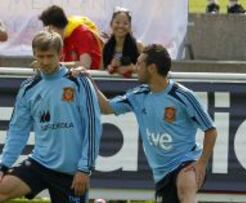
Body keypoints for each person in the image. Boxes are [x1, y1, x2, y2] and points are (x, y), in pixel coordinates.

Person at [88, 44, 217, 202]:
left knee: (186, 187)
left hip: (187, 160)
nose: (136, 67)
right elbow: (106, 107)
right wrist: (88, 81)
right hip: (162, 174)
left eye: (140, 63)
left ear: (152, 68)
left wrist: (202, 163)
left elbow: (210, 129)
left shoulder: (182, 96)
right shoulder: (139, 95)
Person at [0, 30, 102, 202]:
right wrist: (3, 166)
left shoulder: (79, 81)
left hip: (70, 171)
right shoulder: (28, 88)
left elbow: (93, 127)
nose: (45, 62)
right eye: (41, 56)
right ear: (34, 54)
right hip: (40, 163)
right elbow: (18, 131)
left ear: (60, 55)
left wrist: (85, 169)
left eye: (50, 56)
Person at [38, 5, 103, 69]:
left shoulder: (82, 33)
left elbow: (85, 64)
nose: (48, 34)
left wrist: (54, 64)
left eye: (48, 31)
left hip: (95, 77)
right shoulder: (59, 39)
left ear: (52, 27)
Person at [102, 7, 144, 78]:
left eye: (125, 23)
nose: (121, 26)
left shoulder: (138, 46)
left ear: (130, 27)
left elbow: (147, 70)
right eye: (117, 22)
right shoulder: (106, 46)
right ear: (111, 24)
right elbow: (100, 70)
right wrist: (110, 67)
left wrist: (131, 68)